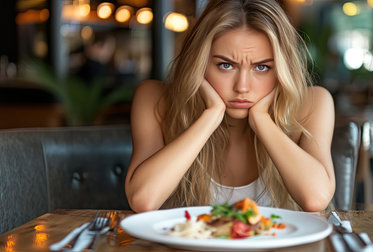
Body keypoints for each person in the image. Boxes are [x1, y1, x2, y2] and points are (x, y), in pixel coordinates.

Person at [125, 0, 335, 212]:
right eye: (225, 65)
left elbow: (315, 199)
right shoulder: (154, 98)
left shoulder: (312, 103)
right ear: (198, 62)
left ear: (282, 70)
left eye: (262, 67)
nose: (242, 87)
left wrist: (262, 120)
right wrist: (210, 116)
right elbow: (143, 200)